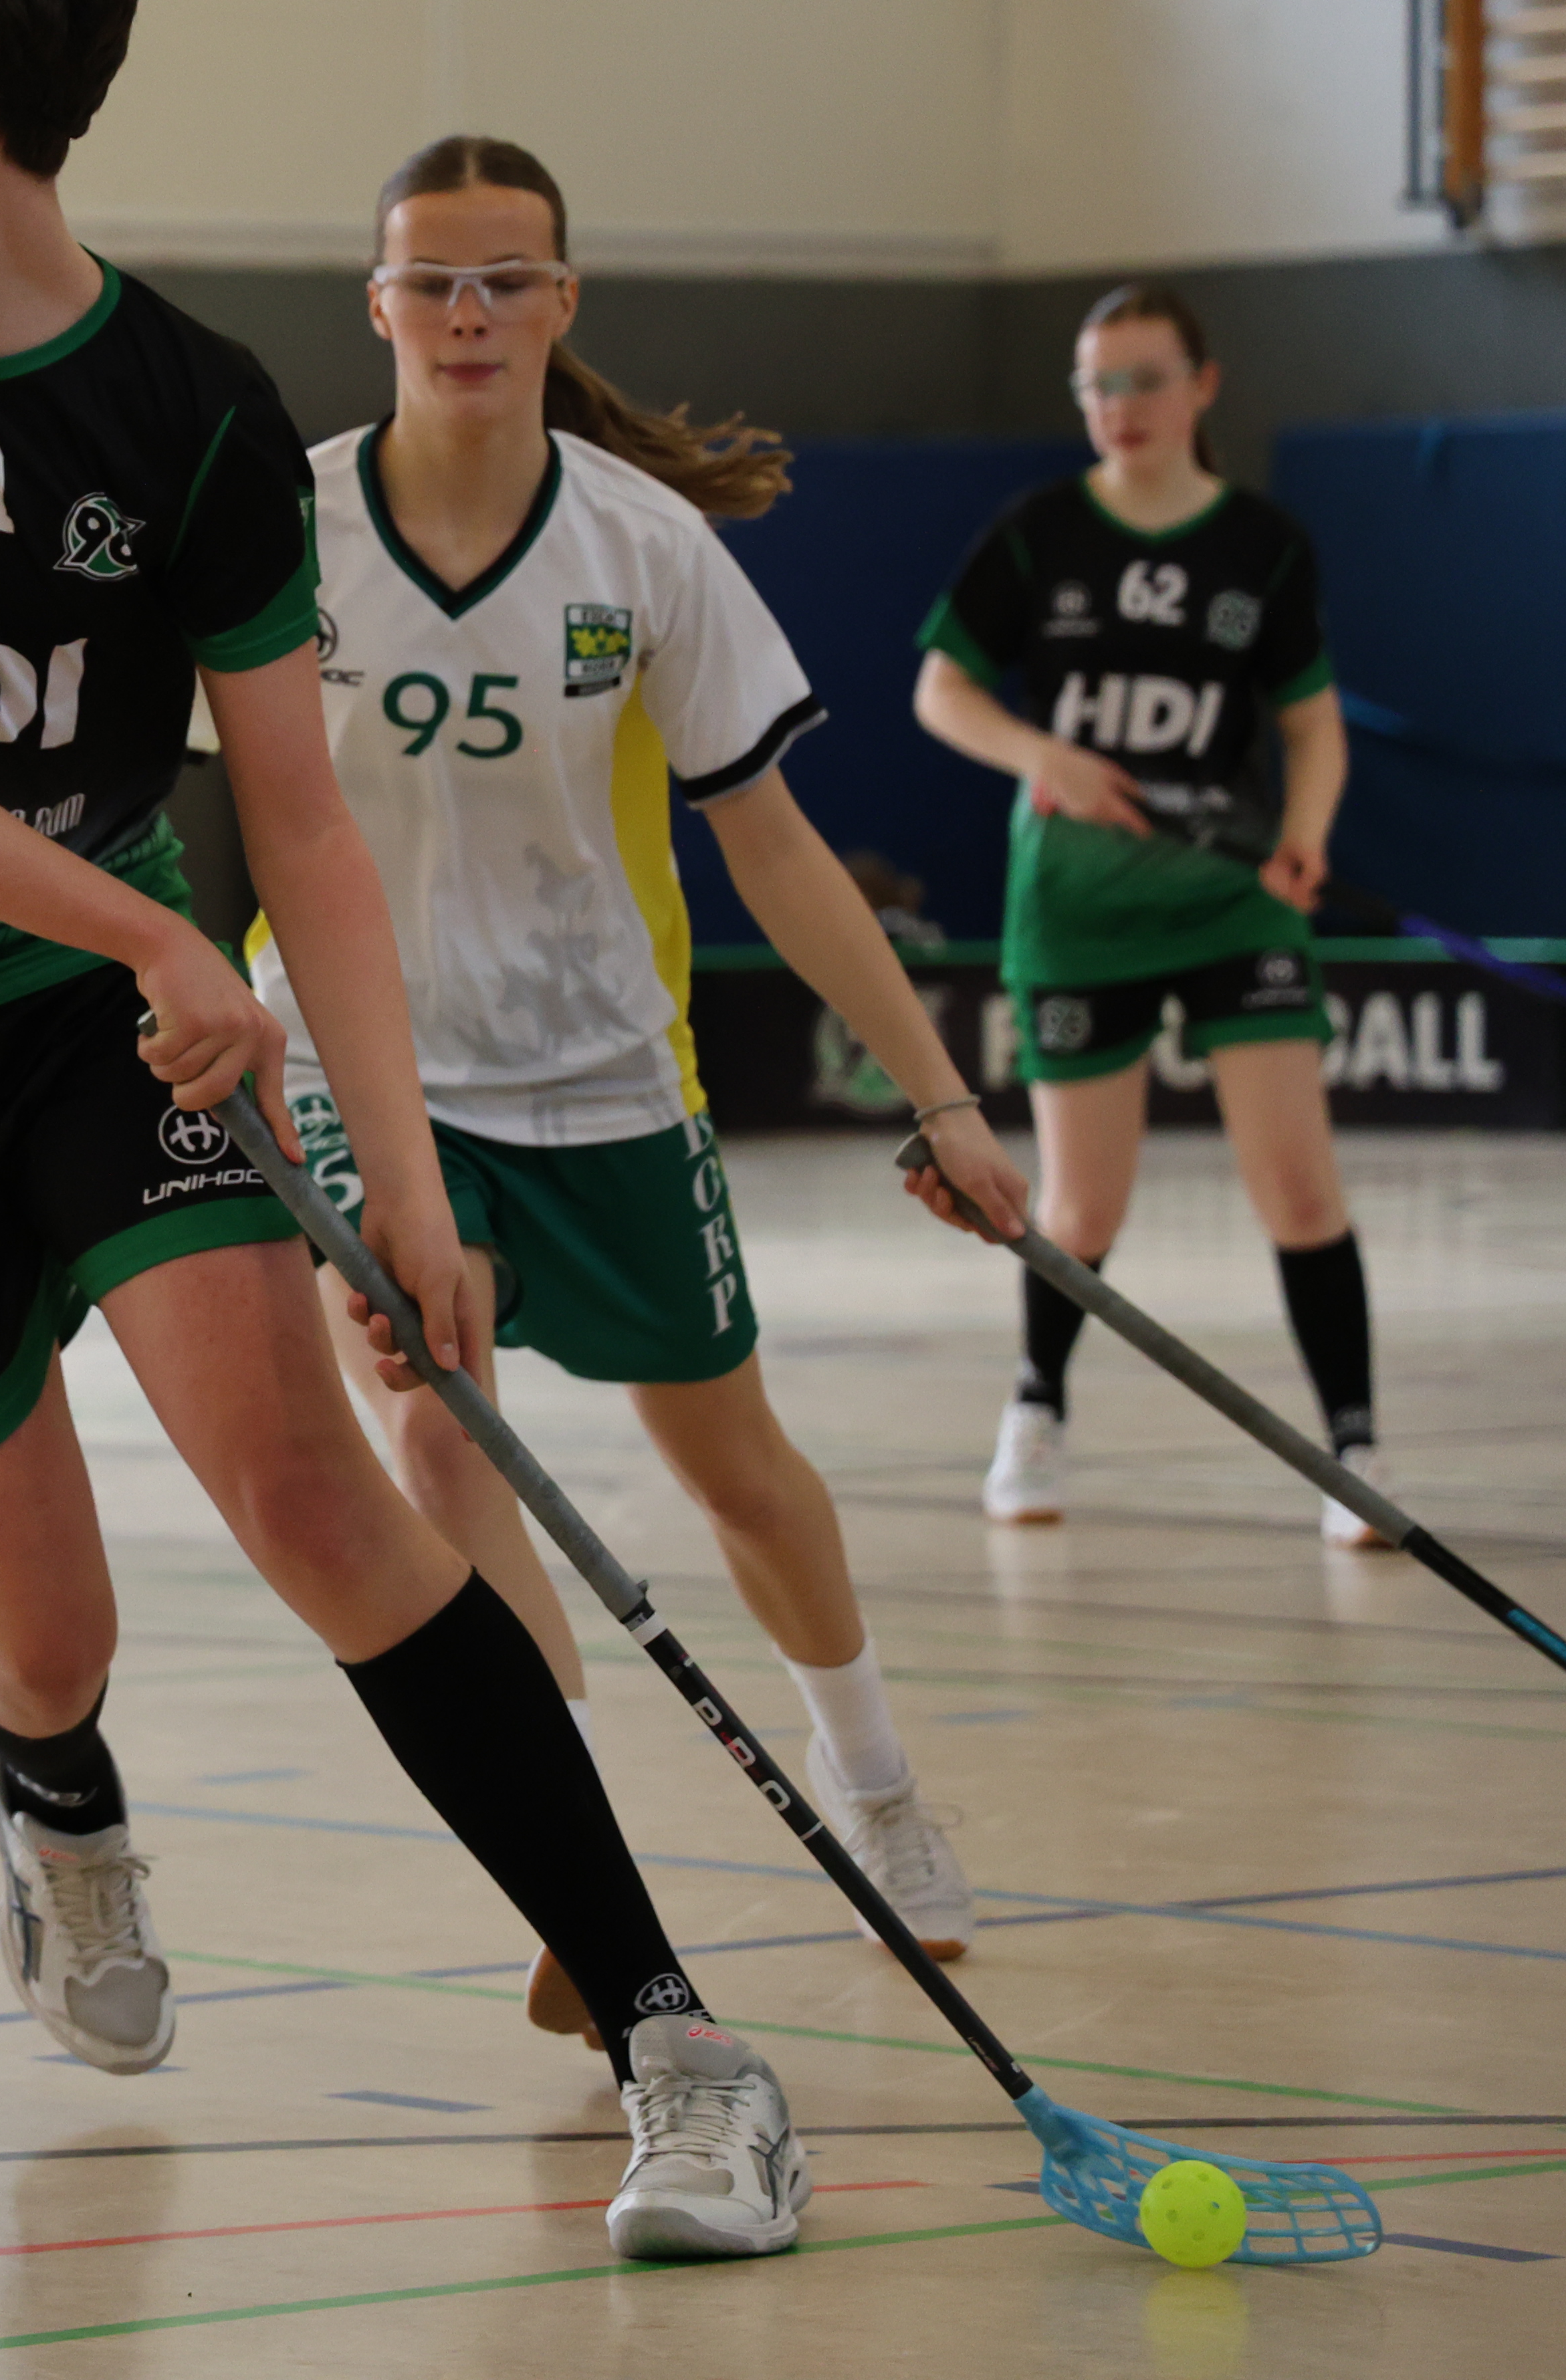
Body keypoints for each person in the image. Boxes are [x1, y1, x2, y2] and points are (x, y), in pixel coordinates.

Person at [0, 0, 832, 2262]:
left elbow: (302, 825)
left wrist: (401, 1174)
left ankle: (678, 2035)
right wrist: (153, 931)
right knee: (43, 1626)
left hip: (100, 1029)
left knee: (312, 1491)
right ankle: (50, 1785)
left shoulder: (184, 416)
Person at [259, 135, 1032, 2047]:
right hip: (368, 1067)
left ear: (562, 302)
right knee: (441, 1420)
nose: (466, 312)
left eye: (504, 278)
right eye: (430, 278)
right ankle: (575, 1856)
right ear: (375, 303)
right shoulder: (281, 533)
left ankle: (874, 1787)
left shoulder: (642, 546)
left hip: (606, 1069)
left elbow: (773, 849)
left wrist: (937, 1095)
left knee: (734, 1470)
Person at [913, 284, 1385, 1545]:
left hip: (1236, 908)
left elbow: (1312, 727)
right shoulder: (1038, 534)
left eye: (1142, 379)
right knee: (1084, 1209)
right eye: (1097, 384)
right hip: (1076, 911)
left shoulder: (1266, 546)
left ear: (1202, 386)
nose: (1119, 407)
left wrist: (1305, 838)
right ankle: (1035, 1410)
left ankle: (1355, 1449)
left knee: (1297, 1186)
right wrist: (1040, 757)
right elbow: (942, 692)